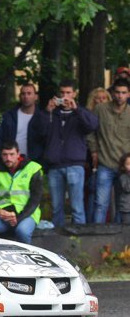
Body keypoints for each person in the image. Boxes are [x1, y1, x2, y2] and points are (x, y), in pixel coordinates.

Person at [34, 80, 98, 227]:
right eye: (62, 93)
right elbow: (39, 132)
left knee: (77, 208)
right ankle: (57, 238)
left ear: (74, 94)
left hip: (75, 164)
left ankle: (80, 237)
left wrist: (77, 110)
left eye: (68, 93)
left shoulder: (80, 112)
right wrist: (47, 112)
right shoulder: (51, 113)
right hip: (54, 166)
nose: (65, 96)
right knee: (56, 208)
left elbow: (92, 126)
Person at [0, 141, 43, 244]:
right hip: (3, 214)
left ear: (18, 154)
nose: (8, 158)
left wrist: (18, 218)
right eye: (5, 155)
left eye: (12, 154)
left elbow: (35, 200)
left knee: (22, 231)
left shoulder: (33, 168)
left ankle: (25, 254)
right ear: (0, 155)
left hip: (27, 214)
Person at [88, 78, 130, 223]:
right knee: (100, 204)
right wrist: (94, 150)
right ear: (112, 93)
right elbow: (90, 131)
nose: (120, 96)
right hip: (104, 163)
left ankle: (118, 235)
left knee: (121, 205)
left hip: (124, 167)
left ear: (128, 94)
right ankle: (97, 234)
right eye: (117, 92)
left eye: (123, 93)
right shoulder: (100, 109)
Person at [0, 83, 44, 163]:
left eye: (29, 93)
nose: (26, 96)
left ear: (36, 96)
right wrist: (0, 160)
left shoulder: (42, 117)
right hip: (10, 162)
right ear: (20, 96)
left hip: (33, 163)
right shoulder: (8, 116)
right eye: (23, 94)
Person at [85, 87, 111, 221]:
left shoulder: (111, 116)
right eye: (98, 98)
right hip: (90, 159)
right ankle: (90, 223)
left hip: (108, 158)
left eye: (104, 98)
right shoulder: (87, 116)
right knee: (92, 192)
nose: (101, 101)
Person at [118, 153, 130, 225]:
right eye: (128, 164)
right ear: (123, 167)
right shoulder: (123, 177)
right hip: (126, 209)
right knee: (126, 228)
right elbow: (127, 189)